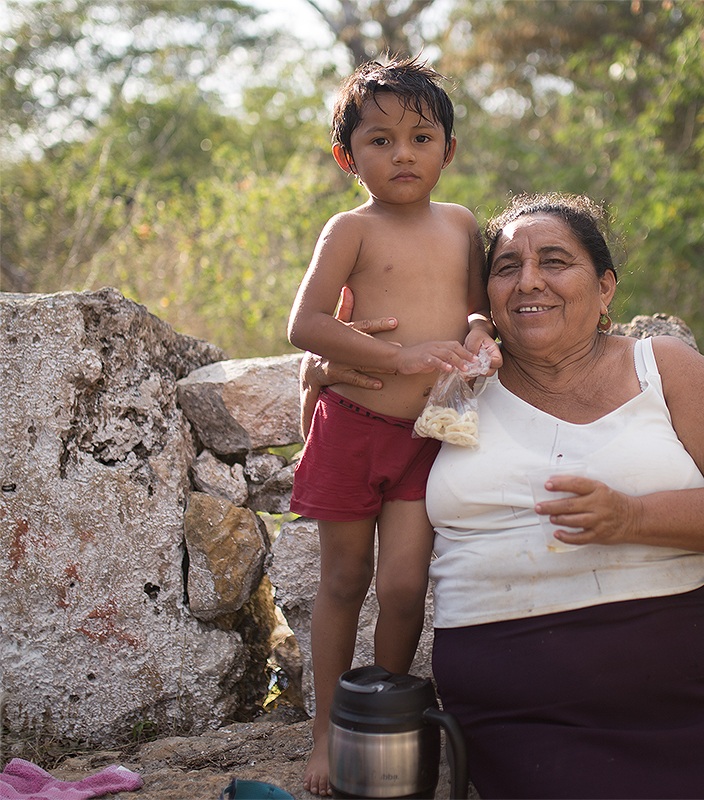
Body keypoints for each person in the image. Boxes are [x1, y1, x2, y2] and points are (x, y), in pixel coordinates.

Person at [306, 193, 704, 798]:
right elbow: (347, 410)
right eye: (506, 267)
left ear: (606, 287)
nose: (527, 281)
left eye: (556, 261)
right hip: (518, 720)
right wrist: (320, 368)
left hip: (689, 699)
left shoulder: (661, 368)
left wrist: (633, 517)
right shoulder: (457, 383)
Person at [286, 55, 499, 798]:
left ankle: (386, 715)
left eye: (420, 136)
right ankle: (327, 733)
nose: (401, 154)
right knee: (345, 579)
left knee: (406, 588)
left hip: (426, 438)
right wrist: (399, 354)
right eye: (379, 140)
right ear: (349, 157)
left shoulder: (461, 224)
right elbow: (304, 323)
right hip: (353, 428)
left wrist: (477, 333)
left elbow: (477, 307)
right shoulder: (350, 227)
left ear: (448, 150)